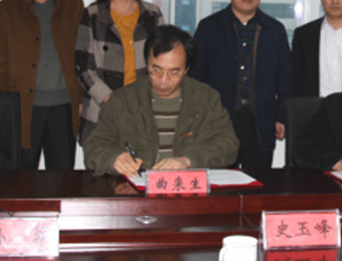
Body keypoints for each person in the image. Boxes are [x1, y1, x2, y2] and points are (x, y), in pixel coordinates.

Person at [84, 25, 239, 176]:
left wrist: (188, 161)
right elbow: (94, 147)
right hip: (137, 188)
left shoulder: (206, 98)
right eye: (156, 70)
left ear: (186, 69)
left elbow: (228, 145)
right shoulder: (122, 100)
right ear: (147, 63)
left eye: (174, 72)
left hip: (187, 188)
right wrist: (113, 159)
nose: (164, 80)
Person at [0, 0, 84, 169]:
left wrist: (83, 99)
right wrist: (3, 108)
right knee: (20, 178)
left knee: (62, 179)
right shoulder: (5, 10)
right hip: (23, 109)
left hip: (64, 107)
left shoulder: (73, 5)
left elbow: (84, 56)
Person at [190, 0, 292, 169]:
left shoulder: (274, 30)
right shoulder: (209, 27)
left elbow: (285, 79)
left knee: (259, 182)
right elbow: (196, 78)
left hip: (261, 119)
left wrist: (281, 117)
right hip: (218, 119)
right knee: (221, 181)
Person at [75, 0, 164, 146]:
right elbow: (82, 67)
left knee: (141, 163)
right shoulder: (92, 15)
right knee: (103, 162)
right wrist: (110, 99)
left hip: (142, 107)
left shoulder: (152, 14)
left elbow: (162, 60)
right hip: (102, 107)